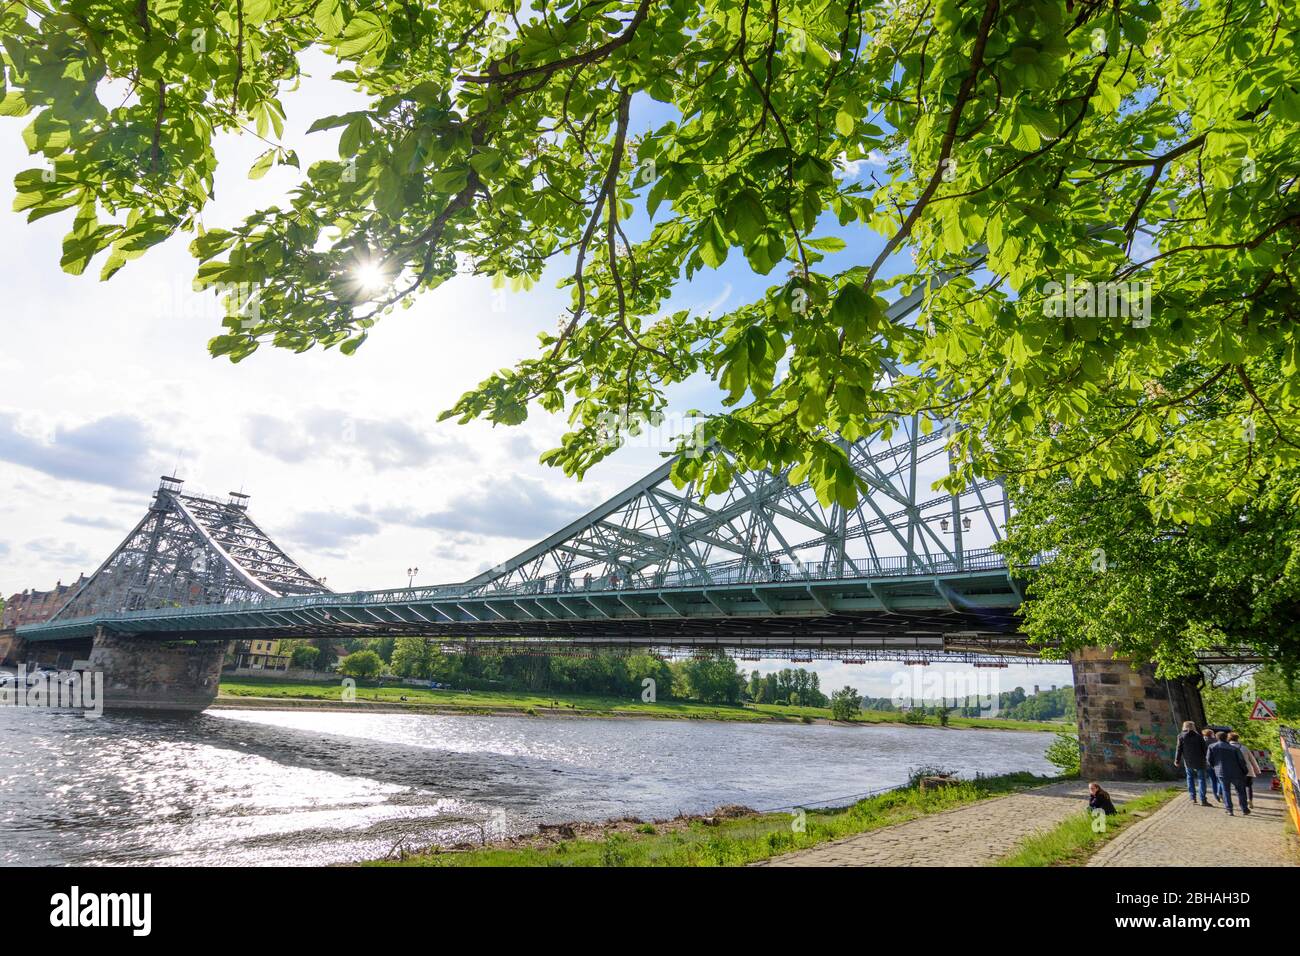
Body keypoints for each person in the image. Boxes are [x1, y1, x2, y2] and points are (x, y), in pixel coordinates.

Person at [1206, 731, 1250, 816]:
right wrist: (1245, 771)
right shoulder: (1234, 749)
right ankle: (1244, 809)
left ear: (1216, 738)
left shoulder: (1211, 747)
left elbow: (1209, 760)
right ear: (1226, 738)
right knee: (1240, 791)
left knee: (1226, 791)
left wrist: (1215, 767)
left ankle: (1229, 810)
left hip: (1221, 772)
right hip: (1236, 772)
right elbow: (1241, 761)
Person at [1173, 720, 1211, 806]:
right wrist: (1208, 759)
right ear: (1193, 727)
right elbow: (1205, 749)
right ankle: (1203, 799)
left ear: (1184, 727)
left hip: (1188, 761)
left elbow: (1179, 749)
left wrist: (1177, 760)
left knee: (1190, 778)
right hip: (1200, 761)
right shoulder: (1198, 736)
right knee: (1201, 779)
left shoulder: (1181, 736)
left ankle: (1192, 798)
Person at [1227, 732, 1261, 808]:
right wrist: (1257, 770)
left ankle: (1243, 801)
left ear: (1228, 738)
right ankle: (1250, 799)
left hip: (1235, 771)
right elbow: (1252, 759)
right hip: (1247, 769)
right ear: (1237, 738)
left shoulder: (1227, 748)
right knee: (1249, 786)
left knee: (1240, 787)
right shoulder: (1244, 747)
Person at [1201, 728, 1221, 802]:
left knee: (1213, 780)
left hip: (1208, 764)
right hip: (1218, 763)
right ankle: (1219, 792)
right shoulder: (1217, 741)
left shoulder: (1203, 742)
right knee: (1219, 779)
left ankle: (1216, 796)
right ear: (1212, 734)